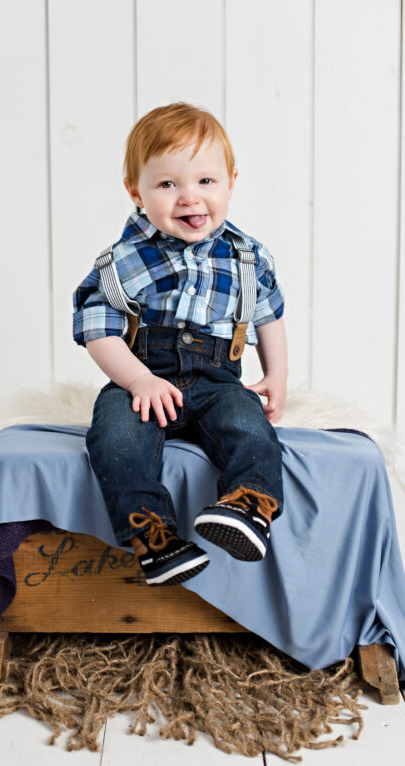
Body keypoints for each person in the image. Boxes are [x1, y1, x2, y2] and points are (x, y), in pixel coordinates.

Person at [72, 102, 287, 586]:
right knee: (116, 437)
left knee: (248, 426)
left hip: (217, 378)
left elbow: (268, 316)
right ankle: (154, 539)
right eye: (168, 184)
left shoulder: (247, 257)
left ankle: (249, 506)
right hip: (144, 375)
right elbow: (98, 330)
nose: (190, 198)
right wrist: (138, 379)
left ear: (231, 182)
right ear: (136, 192)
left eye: (206, 182)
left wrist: (277, 376)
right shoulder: (123, 261)